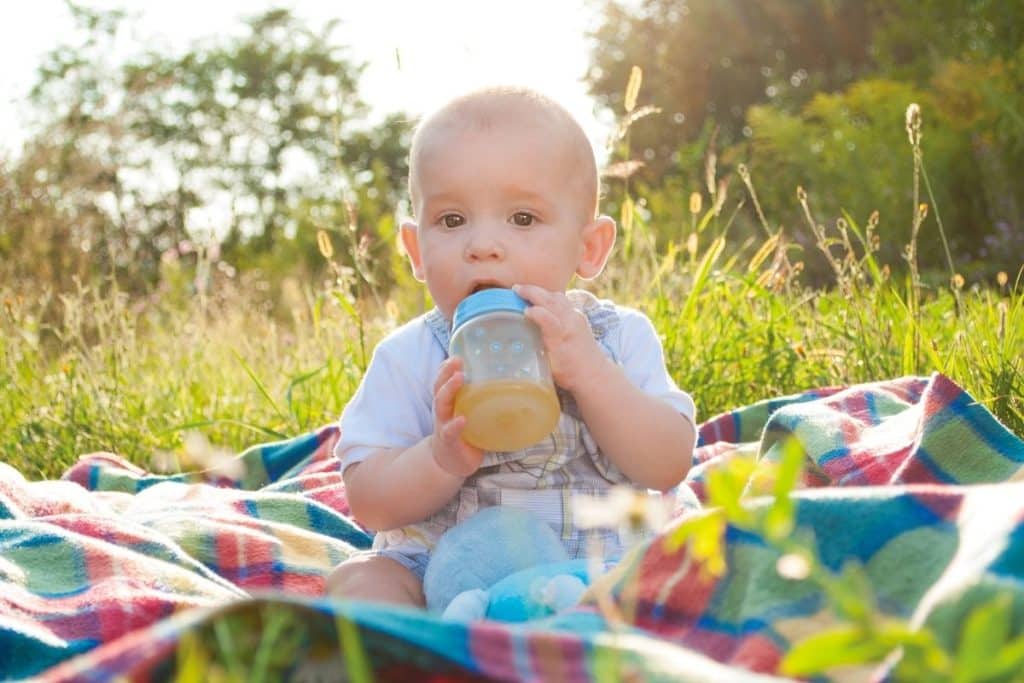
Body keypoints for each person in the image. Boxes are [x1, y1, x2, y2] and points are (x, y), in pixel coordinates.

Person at [326, 86, 696, 607]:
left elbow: (668, 463)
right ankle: (422, 646)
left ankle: (567, 625)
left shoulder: (616, 337)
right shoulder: (410, 356)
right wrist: (438, 457)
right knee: (362, 580)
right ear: (416, 249)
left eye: (523, 218)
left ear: (588, 248)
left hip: (600, 562)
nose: (482, 246)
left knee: (694, 563)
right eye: (451, 220)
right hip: (445, 569)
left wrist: (591, 373)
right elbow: (370, 502)